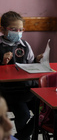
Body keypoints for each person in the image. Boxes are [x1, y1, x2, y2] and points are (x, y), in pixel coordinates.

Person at [0, 11, 43, 140]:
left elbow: (30, 65)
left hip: (28, 89)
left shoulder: (25, 45)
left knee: (44, 112)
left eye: (20, 29)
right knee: (23, 114)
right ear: (2, 29)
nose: (18, 32)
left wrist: (37, 60)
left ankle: (20, 137)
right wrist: (2, 63)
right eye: (13, 29)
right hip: (9, 92)